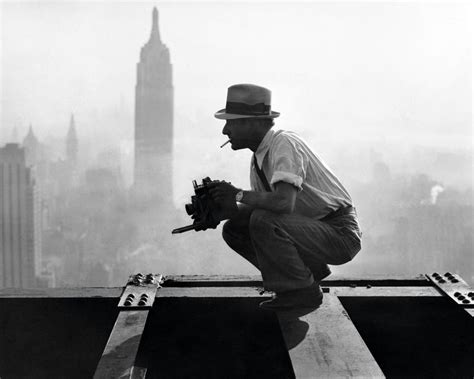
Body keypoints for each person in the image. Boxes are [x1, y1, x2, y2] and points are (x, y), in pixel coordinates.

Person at [208, 83, 361, 312]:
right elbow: (265, 209)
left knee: (262, 220)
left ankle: (303, 291)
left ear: (254, 123)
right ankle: (304, 277)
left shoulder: (284, 144)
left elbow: (282, 204)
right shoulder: (259, 159)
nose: (225, 131)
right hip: (313, 230)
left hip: (339, 233)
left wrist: (238, 194)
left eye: (231, 122)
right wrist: (222, 211)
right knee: (234, 228)